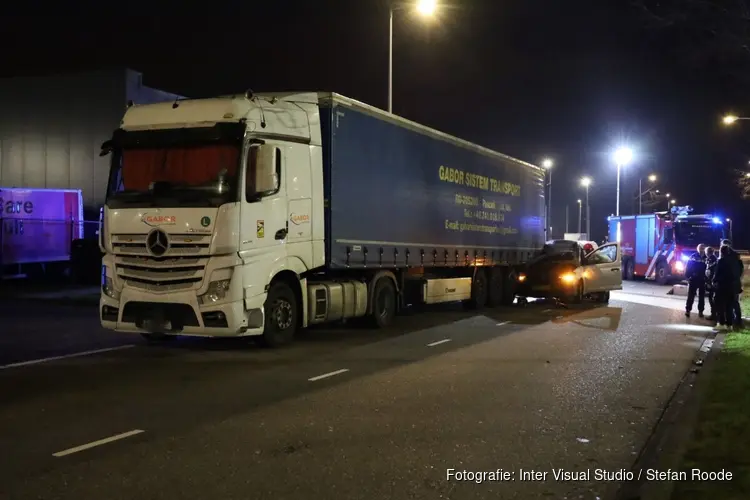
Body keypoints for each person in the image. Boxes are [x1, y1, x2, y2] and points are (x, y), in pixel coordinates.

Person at [713, 245, 739, 331]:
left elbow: (717, 274)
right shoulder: (734, 261)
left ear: (721, 252)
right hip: (732, 287)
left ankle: (721, 323)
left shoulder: (721, 261)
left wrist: (714, 281)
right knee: (729, 306)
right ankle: (729, 324)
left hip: (722, 286)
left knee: (720, 306)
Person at [721, 239, 744, 327]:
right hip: (735, 282)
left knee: (732, 302)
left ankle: (736, 319)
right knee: (734, 301)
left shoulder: (728, 255)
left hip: (731, 283)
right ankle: (736, 318)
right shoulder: (735, 255)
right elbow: (740, 269)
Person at [685, 244, 707, 318]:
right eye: (700, 248)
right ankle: (688, 310)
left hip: (702, 279)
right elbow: (688, 266)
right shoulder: (693, 256)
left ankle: (701, 311)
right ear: (697, 249)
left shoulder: (707, 257)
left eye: (703, 248)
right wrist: (688, 276)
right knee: (691, 296)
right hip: (694, 279)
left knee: (701, 297)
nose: (701, 250)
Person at [704, 246, 718, 321]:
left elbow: (710, 272)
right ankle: (714, 314)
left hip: (712, 283)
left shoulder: (711, 260)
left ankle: (714, 314)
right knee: (712, 298)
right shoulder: (713, 259)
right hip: (712, 282)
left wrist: (709, 282)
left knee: (712, 298)